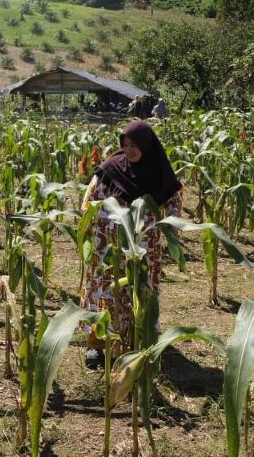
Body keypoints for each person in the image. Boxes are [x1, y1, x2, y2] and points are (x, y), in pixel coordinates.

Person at [80, 120, 183, 368]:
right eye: (124, 145)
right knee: (107, 292)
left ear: (147, 145)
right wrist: (101, 220)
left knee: (140, 292)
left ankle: (138, 341)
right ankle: (98, 345)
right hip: (109, 248)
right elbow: (88, 203)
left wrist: (164, 226)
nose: (128, 151)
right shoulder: (110, 169)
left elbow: (174, 206)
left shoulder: (161, 174)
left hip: (145, 248)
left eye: (134, 145)